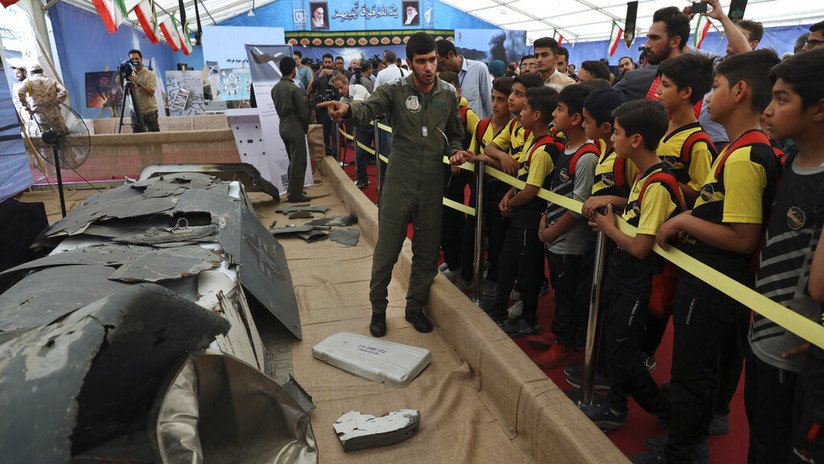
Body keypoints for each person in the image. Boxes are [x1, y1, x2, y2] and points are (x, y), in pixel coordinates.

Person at [647, 49, 781, 464]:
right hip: (710, 278)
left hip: (715, 280)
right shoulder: (738, 148)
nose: (708, 96)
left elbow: (742, 237)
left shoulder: (745, 155)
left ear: (739, 91)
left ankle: (683, 451)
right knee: (703, 365)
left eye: (716, 87)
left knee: (694, 370)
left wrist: (681, 221)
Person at [318, 32, 466, 338]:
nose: (429, 68)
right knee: (387, 250)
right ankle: (378, 310)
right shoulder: (395, 90)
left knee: (427, 251)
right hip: (400, 179)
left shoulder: (448, 94)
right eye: (421, 62)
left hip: (432, 182)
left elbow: (455, 134)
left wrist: (455, 151)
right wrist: (348, 111)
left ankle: (415, 308)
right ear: (409, 63)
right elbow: (368, 109)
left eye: (432, 60)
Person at [584, 99, 680, 433]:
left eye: (617, 132)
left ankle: (666, 411)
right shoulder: (645, 175)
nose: (612, 138)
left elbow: (641, 247)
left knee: (624, 355)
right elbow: (638, 207)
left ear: (636, 140)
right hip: (623, 276)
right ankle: (615, 406)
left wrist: (608, 228)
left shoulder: (658, 183)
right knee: (615, 347)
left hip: (638, 281)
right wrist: (612, 199)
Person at [756, 47, 824, 464]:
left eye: (782, 100)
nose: (768, 111)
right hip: (764, 326)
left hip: (796, 346)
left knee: (776, 446)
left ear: (819, 109)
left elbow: (819, 287)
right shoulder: (794, 156)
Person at [455, 87, 559, 336]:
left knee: (528, 268)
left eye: (525, 108)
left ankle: (529, 318)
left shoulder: (545, 148)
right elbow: (521, 173)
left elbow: (531, 189)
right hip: (518, 211)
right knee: (507, 261)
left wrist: (511, 202)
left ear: (537, 115)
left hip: (530, 214)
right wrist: (509, 194)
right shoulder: (531, 140)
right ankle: (499, 310)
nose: (519, 111)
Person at [533, 84, 599, 363]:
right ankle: (560, 334)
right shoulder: (567, 146)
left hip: (570, 242)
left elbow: (579, 207)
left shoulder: (587, 156)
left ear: (576, 118)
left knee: (568, 295)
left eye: (559, 110)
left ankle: (566, 343)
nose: (553, 114)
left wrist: (552, 232)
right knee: (561, 292)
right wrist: (545, 218)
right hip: (555, 235)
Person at [456, 76, 514, 291]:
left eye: (501, 100)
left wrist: (487, 159)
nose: (495, 104)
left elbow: (513, 166)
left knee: (498, 235)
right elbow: (473, 152)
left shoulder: (515, 130)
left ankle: (494, 280)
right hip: (480, 186)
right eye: (493, 98)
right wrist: (463, 158)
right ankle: (466, 273)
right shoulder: (482, 125)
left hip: (503, 189)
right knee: (472, 231)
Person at [654, 53, 716, 206]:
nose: (658, 91)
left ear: (686, 92)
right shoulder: (661, 127)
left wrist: (656, 174)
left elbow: (700, 194)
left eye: (665, 85)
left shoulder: (698, 144)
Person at [436, 71, 479, 283]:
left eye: (449, 89)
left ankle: (457, 265)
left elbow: (481, 137)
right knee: (445, 215)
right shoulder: (436, 109)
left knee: (449, 216)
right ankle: (453, 258)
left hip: (458, 170)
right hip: (440, 168)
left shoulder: (466, 114)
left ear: (459, 91)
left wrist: (462, 155)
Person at [614, 7, 689, 101]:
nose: (647, 45)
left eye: (654, 38)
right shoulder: (643, 77)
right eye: (648, 38)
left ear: (675, 41)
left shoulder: (697, 79)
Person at [272, 57, 311, 203]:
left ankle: (293, 189)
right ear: (293, 70)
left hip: (282, 124)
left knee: (292, 159)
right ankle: (295, 194)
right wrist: (305, 127)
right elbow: (303, 113)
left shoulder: (275, 88)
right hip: (294, 125)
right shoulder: (294, 88)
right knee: (299, 160)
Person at [331, 73, 372, 189]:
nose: (340, 91)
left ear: (347, 84)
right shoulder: (343, 99)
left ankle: (385, 184)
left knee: (384, 155)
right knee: (360, 154)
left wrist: (340, 110)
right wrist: (333, 113)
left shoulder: (359, 88)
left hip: (377, 123)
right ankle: (362, 180)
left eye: (341, 87)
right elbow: (339, 120)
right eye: (337, 89)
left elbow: (356, 105)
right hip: (362, 125)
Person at [436, 39, 493, 119]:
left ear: (451, 54)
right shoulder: (443, 76)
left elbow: (489, 103)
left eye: (442, 62)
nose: (441, 66)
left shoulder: (479, 69)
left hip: (476, 125)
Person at [17, 63, 68, 135]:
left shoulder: (27, 82)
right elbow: (63, 92)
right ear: (41, 71)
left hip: (39, 113)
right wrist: (55, 102)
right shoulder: (51, 81)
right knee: (62, 133)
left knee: (46, 135)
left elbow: (20, 93)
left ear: (31, 73)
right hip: (53, 112)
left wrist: (27, 108)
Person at [308, 53, 338, 157]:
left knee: (335, 132)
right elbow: (313, 86)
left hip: (334, 105)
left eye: (329, 62)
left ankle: (335, 154)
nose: (327, 64)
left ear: (332, 63)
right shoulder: (317, 73)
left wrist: (333, 75)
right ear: (323, 62)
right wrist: (320, 76)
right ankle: (327, 151)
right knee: (324, 131)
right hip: (321, 106)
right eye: (326, 62)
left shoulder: (336, 73)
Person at [123, 50, 159, 132]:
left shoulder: (149, 74)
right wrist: (121, 79)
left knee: (154, 137)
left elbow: (151, 92)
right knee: (137, 137)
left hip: (149, 112)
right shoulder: (129, 74)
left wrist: (137, 82)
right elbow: (126, 92)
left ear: (141, 59)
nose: (135, 61)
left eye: (137, 59)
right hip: (135, 112)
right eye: (132, 59)